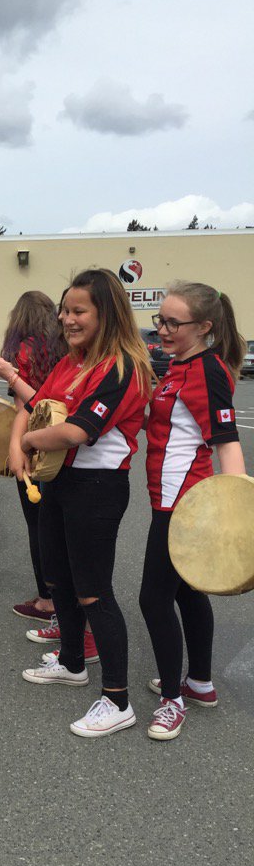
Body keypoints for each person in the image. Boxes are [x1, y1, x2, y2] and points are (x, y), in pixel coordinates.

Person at [11, 269, 152, 738]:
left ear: (105, 314)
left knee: (94, 591)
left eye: (78, 311)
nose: (67, 320)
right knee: (60, 580)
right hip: (62, 483)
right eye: (64, 311)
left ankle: (118, 700)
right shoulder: (72, 361)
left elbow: (77, 432)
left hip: (97, 488)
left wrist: (27, 441)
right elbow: (35, 405)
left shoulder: (120, 366)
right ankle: (73, 662)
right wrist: (19, 444)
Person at [139, 283, 247, 740]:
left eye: (172, 323)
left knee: (153, 598)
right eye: (159, 320)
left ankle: (172, 702)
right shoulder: (179, 366)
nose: (161, 329)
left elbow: (227, 442)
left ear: (204, 327)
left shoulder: (207, 370)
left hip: (183, 502)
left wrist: (237, 512)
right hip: (168, 497)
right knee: (186, 593)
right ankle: (199, 682)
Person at [0, 291, 65, 622]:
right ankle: (63, 602)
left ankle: (48, 600)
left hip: (35, 440)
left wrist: (18, 446)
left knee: (38, 527)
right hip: (64, 440)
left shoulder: (21, 350)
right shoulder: (65, 348)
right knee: (59, 527)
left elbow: (25, 405)